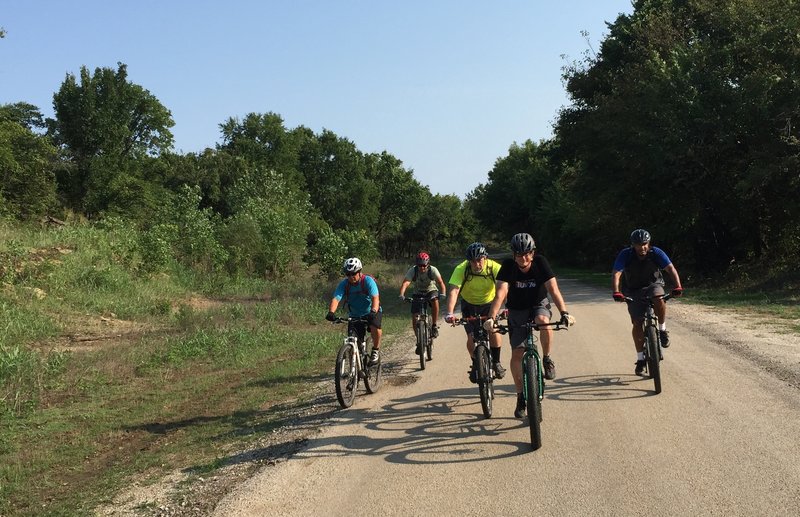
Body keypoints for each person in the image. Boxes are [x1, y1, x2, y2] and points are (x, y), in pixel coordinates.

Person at [483, 233, 575, 418]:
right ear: (513, 255)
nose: (523, 258)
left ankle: (547, 358)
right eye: (518, 254)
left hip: (538, 304)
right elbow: (500, 294)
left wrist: (564, 313)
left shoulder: (541, 263)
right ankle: (520, 397)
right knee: (517, 352)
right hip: (516, 309)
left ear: (533, 253)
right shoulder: (508, 267)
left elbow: (553, 290)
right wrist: (492, 318)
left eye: (527, 254)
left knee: (543, 321)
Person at [612, 229, 684, 375]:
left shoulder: (656, 252)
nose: (642, 247)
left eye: (644, 244)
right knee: (637, 323)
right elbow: (617, 273)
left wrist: (678, 286)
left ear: (648, 243)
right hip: (632, 289)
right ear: (633, 245)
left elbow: (671, 268)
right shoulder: (626, 254)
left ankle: (662, 330)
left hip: (653, 285)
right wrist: (616, 291)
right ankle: (640, 359)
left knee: (659, 298)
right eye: (638, 245)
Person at [444, 242, 507, 381]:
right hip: (469, 305)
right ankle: (475, 363)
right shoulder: (462, 269)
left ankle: (496, 362)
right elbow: (454, 291)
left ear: (486, 258)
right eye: (473, 261)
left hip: (489, 304)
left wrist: (507, 307)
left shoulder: (494, 267)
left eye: (479, 260)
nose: (476, 264)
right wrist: (450, 313)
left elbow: (504, 289)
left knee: (493, 330)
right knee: (471, 337)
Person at [326, 257, 383, 365]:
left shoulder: (368, 281)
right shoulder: (344, 284)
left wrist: (373, 311)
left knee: (375, 327)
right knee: (353, 340)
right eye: (348, 274)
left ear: (359, 272)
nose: (351, 277)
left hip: (371, 311)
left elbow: (375, 298)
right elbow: (336, 298)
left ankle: (375, 350)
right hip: (355, 315)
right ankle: (354, 368)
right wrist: (331, 312)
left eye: (354, 273)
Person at [398, 251, 448, 353]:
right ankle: (419, 341)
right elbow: (406, 282)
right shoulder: (413, 270)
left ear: (428, 264)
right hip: (418, 292)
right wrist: (402, 294)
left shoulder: (433, 270)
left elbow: (440, 282)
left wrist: (443, 293)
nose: (422, 268)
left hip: (431, 290)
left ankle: (434, 325)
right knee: (414, 317)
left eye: (424, 265)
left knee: (435, 300)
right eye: (420, 265)